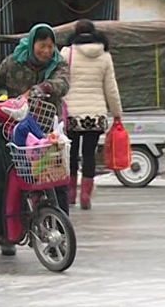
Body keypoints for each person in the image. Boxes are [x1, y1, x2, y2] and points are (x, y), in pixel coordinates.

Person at [0, 23, 70, 256]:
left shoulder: (58, 63)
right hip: (13, 132)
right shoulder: (13, 63)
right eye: (42, 45)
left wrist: (40, 89)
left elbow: (62, 84)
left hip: (46, 132)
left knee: (57, 181)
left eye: (50, 46)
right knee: (6, 179)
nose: (47, 51)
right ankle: (5, 231)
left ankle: (61, 234)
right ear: (32, 43)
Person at [60, 19, 123, 210]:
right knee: (89, 154)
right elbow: (111, 88)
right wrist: (117, 113)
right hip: (95, 114)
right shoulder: (105, 56)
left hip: (72, 113)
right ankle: (86, 195)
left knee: (70, 154)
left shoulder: (66, 53)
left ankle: (70, 193)